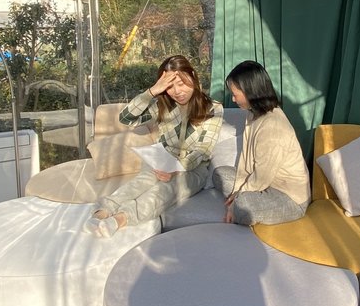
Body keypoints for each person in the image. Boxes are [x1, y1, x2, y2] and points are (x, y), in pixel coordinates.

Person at [88, 55, 223, 237]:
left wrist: (177, 168)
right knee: (140, 183)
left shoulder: (213, 108)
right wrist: (151, 92)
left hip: (192, 169)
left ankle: (121, 218)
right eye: (169, 87)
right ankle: (104, 210)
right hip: (161, 160)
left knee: (164, 191)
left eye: (181, 83)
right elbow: (126, 118)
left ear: (192, 76)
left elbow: (203, 149)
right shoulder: (162, 105)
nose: (177, 91)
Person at [215, 60, 310, 226]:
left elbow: (261, 178)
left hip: (289, 197)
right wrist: (238, 190)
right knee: (219, 174)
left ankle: (241, 206)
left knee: (242, 207)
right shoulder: (253, 114)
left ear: (250, 92)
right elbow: (246, 164)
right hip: (264, 182)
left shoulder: (273, 126)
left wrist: (236, 201)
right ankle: (242, 200)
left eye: (235, 94)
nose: (233, 99)